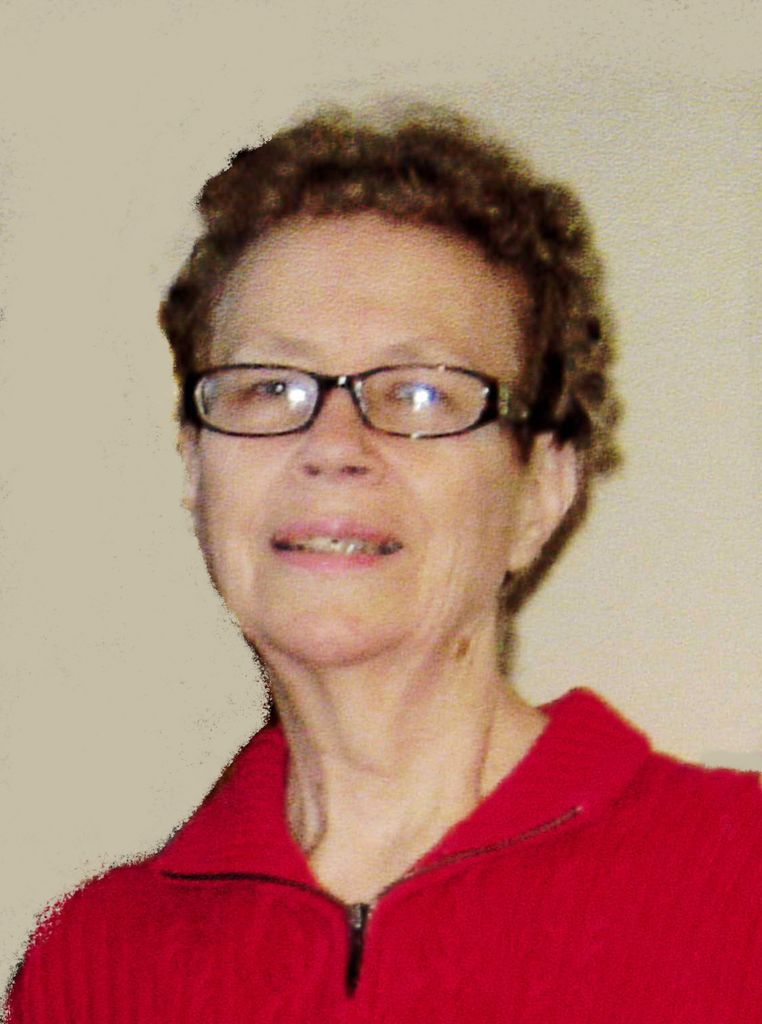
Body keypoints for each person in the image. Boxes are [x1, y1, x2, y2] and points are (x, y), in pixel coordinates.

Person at [5, 105, 760, 1023]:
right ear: (196, 471)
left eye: (421, 393)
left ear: (541, 491)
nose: (332, 446)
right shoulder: (95, 964)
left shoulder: (740, 883)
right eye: (268, 387)